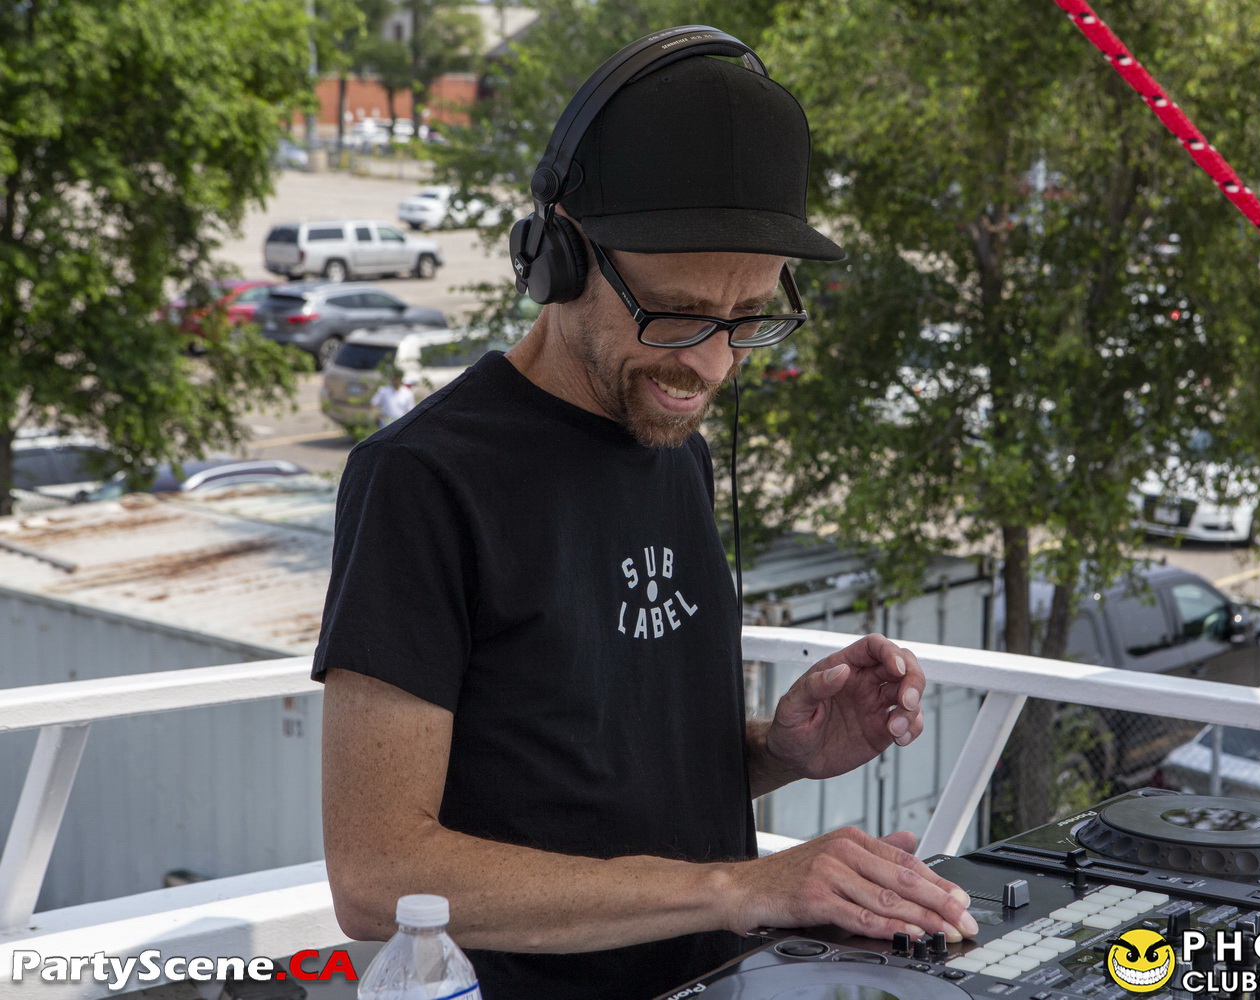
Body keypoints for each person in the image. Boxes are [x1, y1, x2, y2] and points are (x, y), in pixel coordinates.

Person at [313, 33, 978, 1000]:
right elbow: (377, 877)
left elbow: (589, 781)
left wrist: (777, 751)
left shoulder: (676, 450)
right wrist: (739, 888)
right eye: (675, 312)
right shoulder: (420, 480)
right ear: (560, 254)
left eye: (747, 318)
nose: (710, 365)